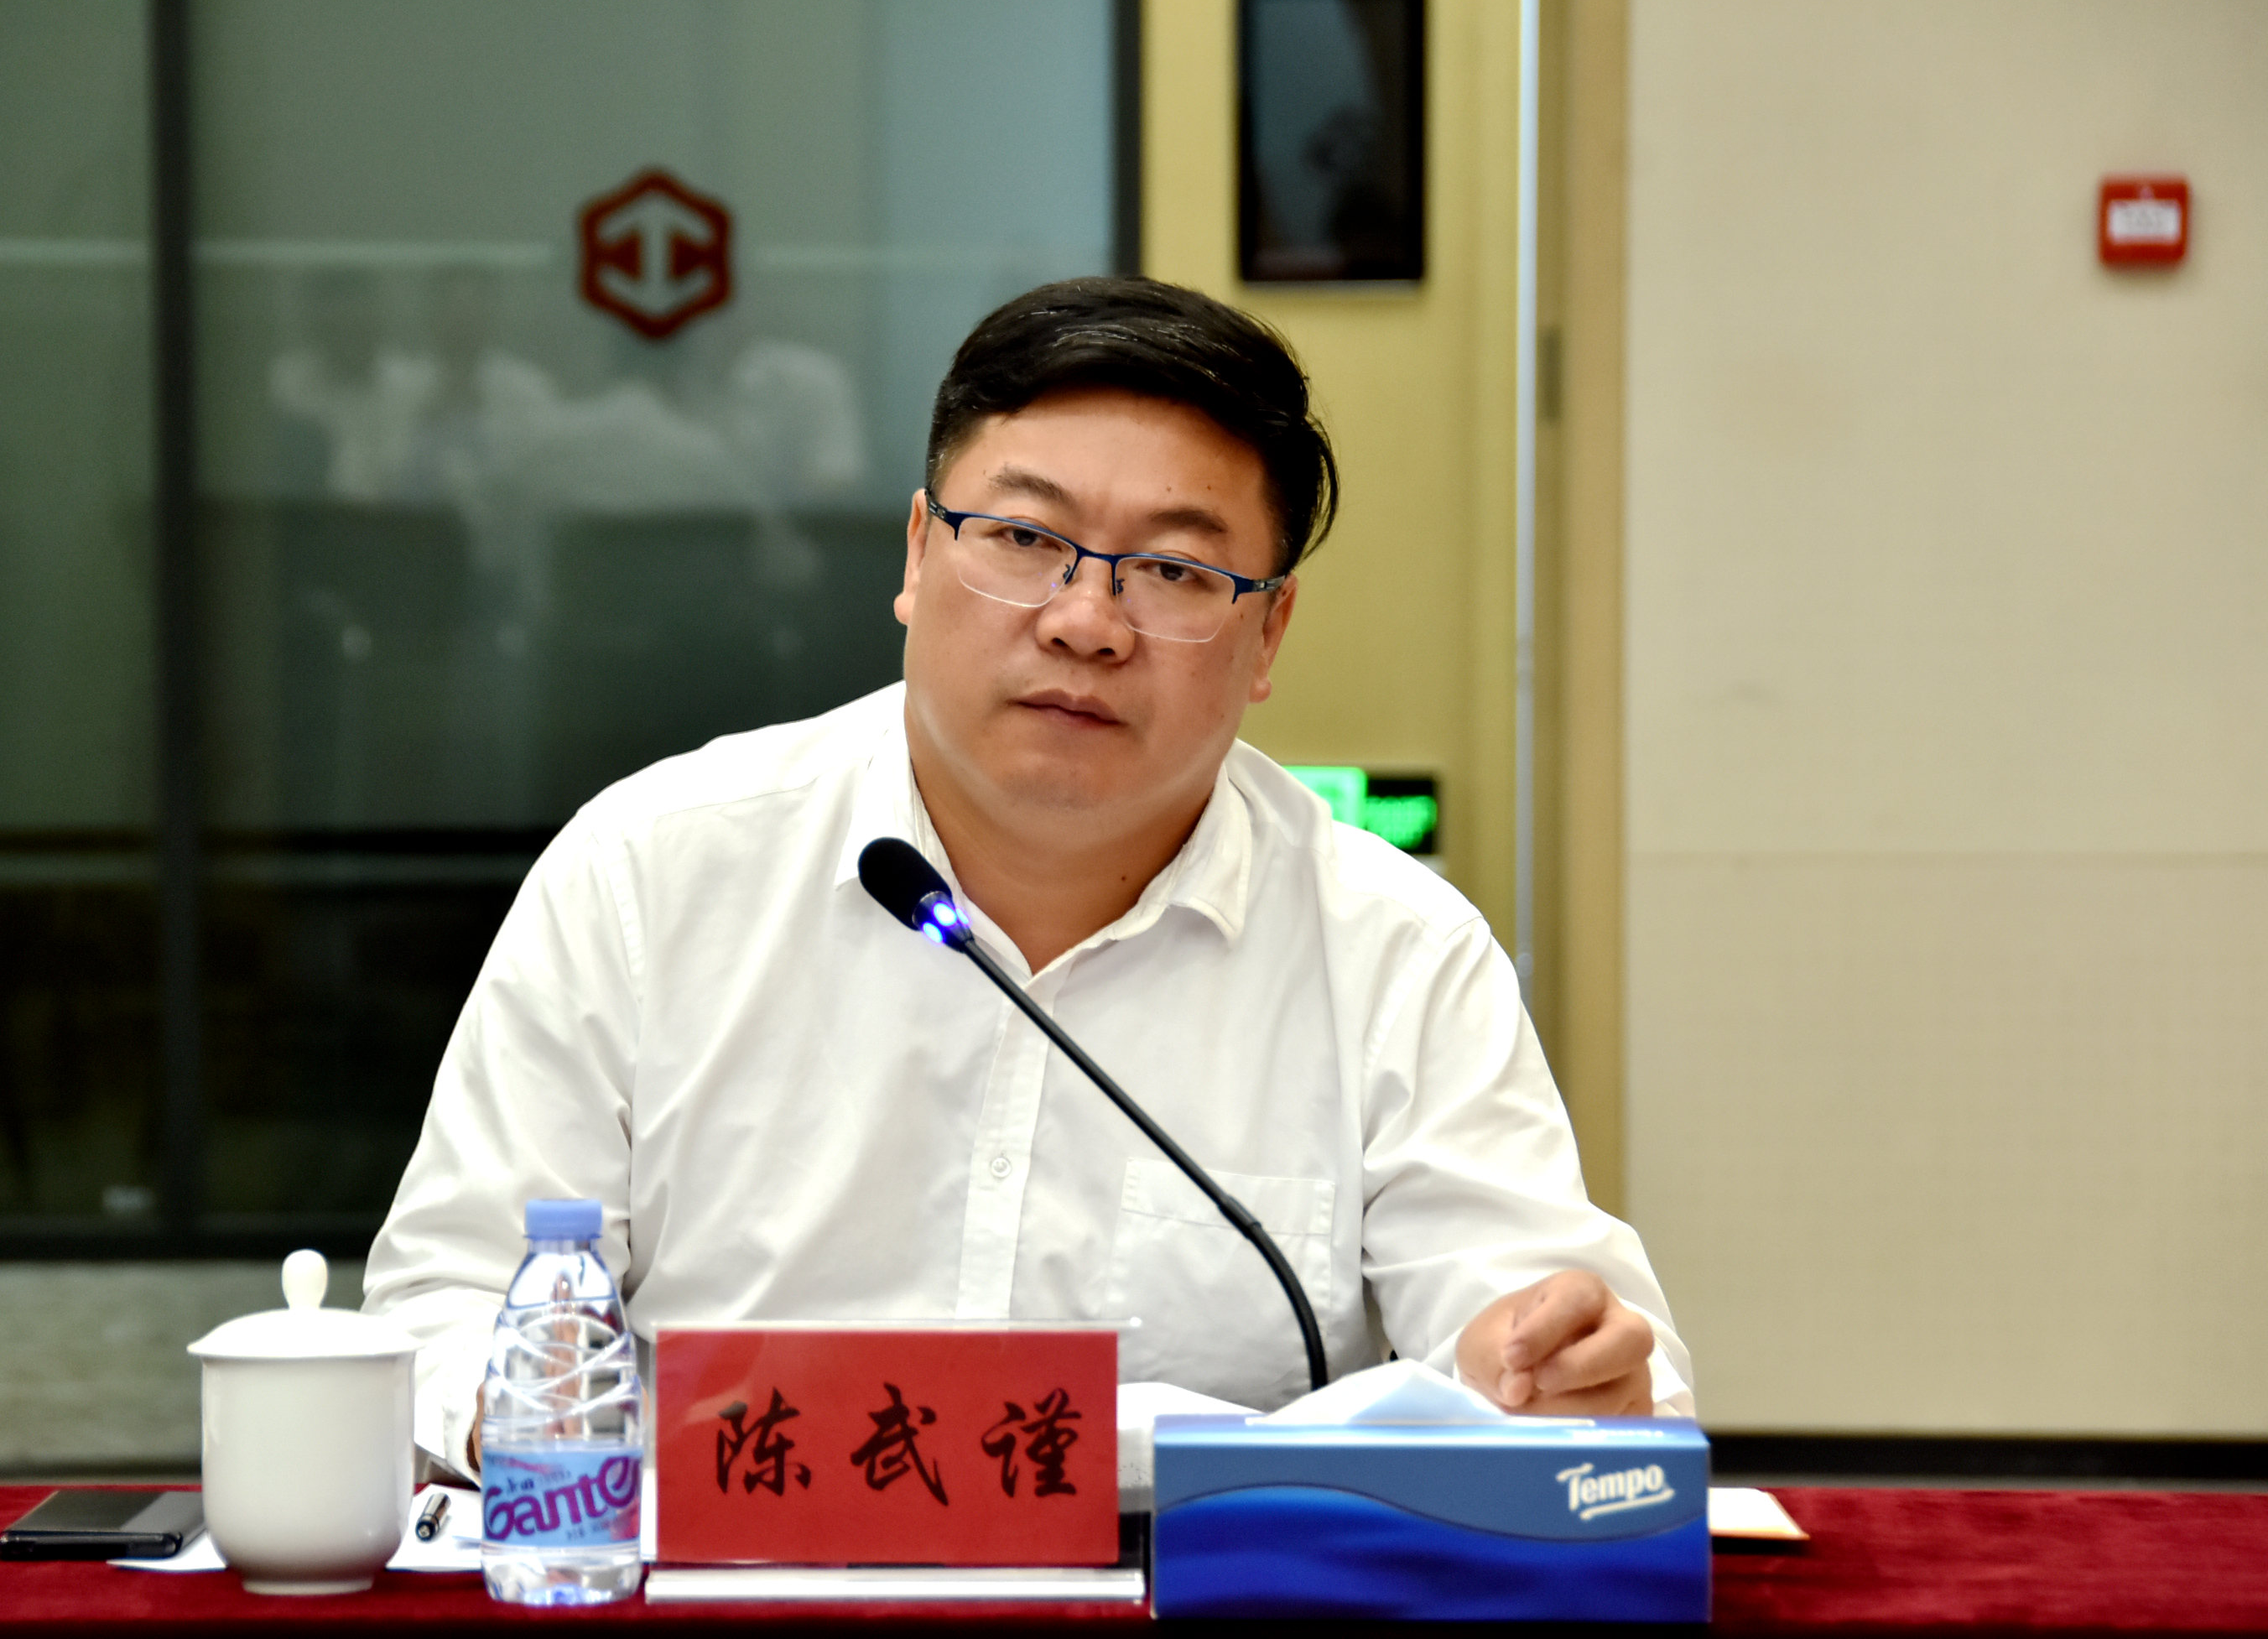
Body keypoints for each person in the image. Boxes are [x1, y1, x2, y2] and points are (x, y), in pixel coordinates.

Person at [364, 277, 1693, 1477]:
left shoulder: (1394, 952)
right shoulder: (652, 875)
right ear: (915, 555)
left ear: (1269, 632)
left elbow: (1569, 1362)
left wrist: (1558, 1376)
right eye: (1021, 538)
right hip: (725, 1601)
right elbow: (444, 1313)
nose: (1084, 621)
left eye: (1174, 569)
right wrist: (552, 1421)